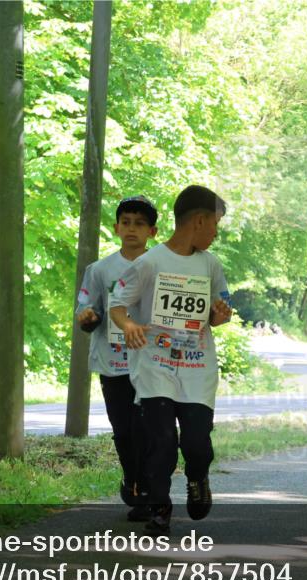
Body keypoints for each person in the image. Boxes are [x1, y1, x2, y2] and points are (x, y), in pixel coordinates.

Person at [110, 185, 233, 536]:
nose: (216, 232)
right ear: (200, 221)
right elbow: (117, 305)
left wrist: (220, 314)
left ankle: (198, 477)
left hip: (197, 369)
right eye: (216, 224)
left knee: (196, 443)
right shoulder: (149, 263)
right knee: (160, 441)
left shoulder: (210, 264)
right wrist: (129, 326)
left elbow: (218, 313)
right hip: (155, 366)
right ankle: (159, 507)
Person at [76, 195, 159, 521]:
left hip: (154, 362)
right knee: (124, 429)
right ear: (116, 227)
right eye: (126, 222)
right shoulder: (99, 270)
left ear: (152, 231)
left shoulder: (162, 267)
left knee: (150, 429)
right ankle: (132, 480)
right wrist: (88, 317)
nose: (131, 229)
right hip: (114, 363)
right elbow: (88, 311)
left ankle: (149, 492)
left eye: (139, 223)